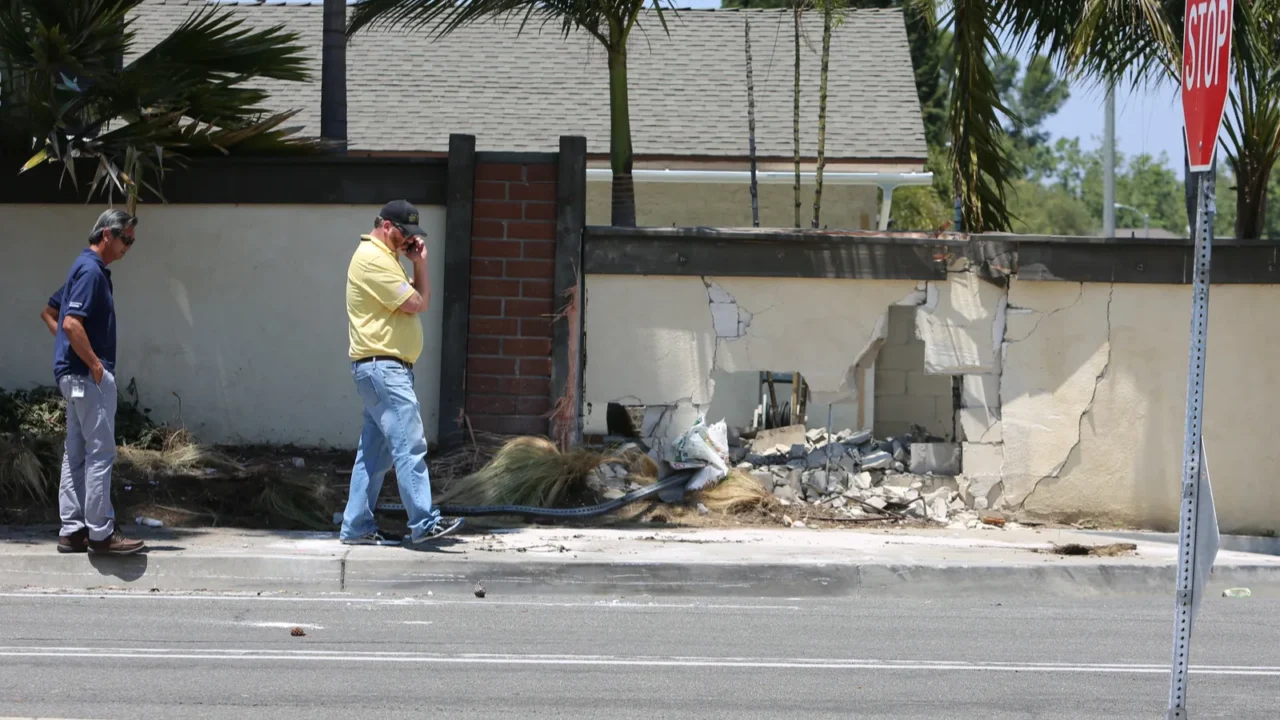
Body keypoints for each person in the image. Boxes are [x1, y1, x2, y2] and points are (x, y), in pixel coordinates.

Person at [341, 200, 463, 546]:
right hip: (384, 369)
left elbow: (415, 296)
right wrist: (420, 266)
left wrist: (418, 263)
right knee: (410, 444)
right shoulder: (373, 259)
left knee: (374, 454)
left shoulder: (386, 259)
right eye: (402, 233)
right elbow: (417, 303)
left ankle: (356, 526)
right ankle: (424, 522)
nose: (406, 240)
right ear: (385, 225)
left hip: (381, 369)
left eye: (412, 235)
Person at [40, 209, 145, 556]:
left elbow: (50, 312)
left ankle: (72, 530)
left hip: (74, 377)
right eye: (125, 239)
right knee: (100, 452)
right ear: (106, 235)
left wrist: (70, 352)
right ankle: (101, 533)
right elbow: (70, 323)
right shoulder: (90, 271)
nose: (128, 246)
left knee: (77, 453)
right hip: (86, 377)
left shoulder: (83, 268)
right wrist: (94, 363)